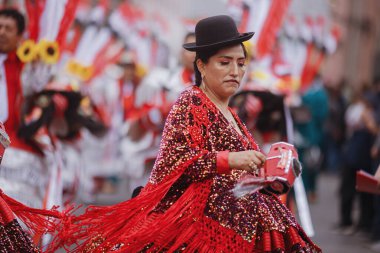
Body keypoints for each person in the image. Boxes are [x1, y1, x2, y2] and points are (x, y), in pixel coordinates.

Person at [5, 15, 321, 253]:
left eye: (240, 63)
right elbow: (178, 160)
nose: (235, 71)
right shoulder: (191, 99)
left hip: (245, 221)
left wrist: (270, 168)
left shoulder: (234, 114)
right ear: (202, 64)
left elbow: (241, 172)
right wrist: (232, 159)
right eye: (224, 62)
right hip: (200, 225)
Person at [0, 8, 48, 209]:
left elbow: (37, 94)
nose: (1, 32)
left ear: (20, 36)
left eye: (8, 29)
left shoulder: (26, 66)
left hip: (14, 143)